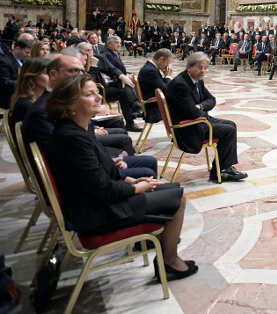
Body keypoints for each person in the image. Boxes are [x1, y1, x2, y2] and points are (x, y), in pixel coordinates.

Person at [43, 74, 197, 280]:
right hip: (97, 212)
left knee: (167, 188)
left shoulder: (77, 129)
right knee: (178, 200)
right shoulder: (72, 138)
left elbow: (98, 173)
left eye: (97, 92)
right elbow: (103, 188)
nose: (99, 97)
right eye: (90, 94)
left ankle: (165, 252)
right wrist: (136, 189)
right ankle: (169, 261)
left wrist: (131, 180)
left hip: (98, 201)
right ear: (70, 105)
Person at [166, 52, 247, 182]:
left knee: (231, 124)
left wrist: (201, 107)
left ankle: (225, 167)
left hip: (198, 120)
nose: (203, 71)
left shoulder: (196, 80)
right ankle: (217, 172)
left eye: (205, 68)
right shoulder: (181, 85)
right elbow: (193, 113)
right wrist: (199, 109)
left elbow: (212, 100)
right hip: (188, 128)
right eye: (199, 67)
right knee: (229, 131)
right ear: (189, 67)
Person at [8, 57, 50, 125]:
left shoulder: (40, 97)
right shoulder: (26, 105)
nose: (52, 77)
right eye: (46, 73)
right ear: (32, 76)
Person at [138, 49, 173, 126]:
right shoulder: (150, 71)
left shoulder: (150, 67)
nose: (168, 66)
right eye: (167, 63)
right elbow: (165, 90)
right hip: (154, 106)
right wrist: (168, 76)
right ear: (161, 59)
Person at [0, 38, 32, 109]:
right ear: (17, 48)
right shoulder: (4, 62)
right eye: (26, 52)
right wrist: (25, 82)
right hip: (8, 100)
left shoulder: (25, 60)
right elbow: (4, 82)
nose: (28, 55)